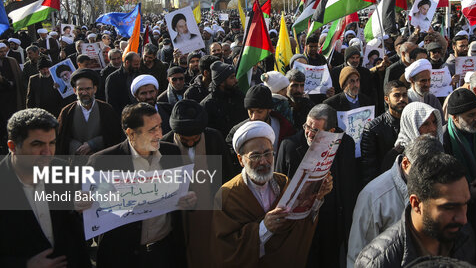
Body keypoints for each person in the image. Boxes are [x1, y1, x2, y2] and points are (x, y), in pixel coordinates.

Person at [86, 103, 196, 268]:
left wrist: (189, 200)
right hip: (122, 256)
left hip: (164, 252)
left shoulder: (171, 153)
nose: (159, 134)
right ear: (131, 133)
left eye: (159, 126)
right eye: (152, 130)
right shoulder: (102, 162)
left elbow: (181, 197)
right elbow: (91, 210)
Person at [211, 120, 333, 267]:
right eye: (255, 156)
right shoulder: (227, 195)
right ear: (240, 159)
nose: (263, 161)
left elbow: (298, 226)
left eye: (268, 153)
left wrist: (317, 197)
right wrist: (263, 228)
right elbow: (225, 251)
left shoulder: (282, 183)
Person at [0, 108, 90, 267]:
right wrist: (25, 265)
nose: (47, 153)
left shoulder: (62, 170)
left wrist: (82, 208)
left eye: (52, 143)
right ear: (12, 146)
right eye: (37, 144)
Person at [355, 152, 475, 267]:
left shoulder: (463, 236)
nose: (463, 219)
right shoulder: (378, 262)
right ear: (416, 203)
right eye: (449, 207)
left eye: (465, 204)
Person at [276, 104, 356, 268]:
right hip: (301, 225)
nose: (309, 133)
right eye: (307, 126)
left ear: (331, 132)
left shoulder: (346, 144)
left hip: (333, 221)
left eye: (316, 131)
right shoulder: (289, 146)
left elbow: (349, 183)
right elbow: (279, 186)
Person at [348, 135, 444, 267]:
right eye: (421, 172)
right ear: (405, 164)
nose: (427, 179)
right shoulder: (374, 196)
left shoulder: (442, 186)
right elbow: (358, 255)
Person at [161, 99, 233, 268]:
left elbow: (227, 174)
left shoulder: (214, 138)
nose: (192, 142)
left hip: (212, 210)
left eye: (195, 138)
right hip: (181, 215)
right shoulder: (165, 145)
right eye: (186, 139)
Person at [443, 88, 476, 266]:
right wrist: (466, 189)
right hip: (457, 210)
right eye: (471, 115)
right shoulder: (443, 138)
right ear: (455, 118)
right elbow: (444, 174)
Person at [226, 84, 295, 168]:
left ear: (269, 109)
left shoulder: (284, 129)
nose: (254, 117)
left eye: (259, 111)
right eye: (251, 111)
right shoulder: (236, 132)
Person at [56, 68, 123, 155]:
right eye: (80, 89)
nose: (84, 93)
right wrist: (77, 147)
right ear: (74, 91)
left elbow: (114, 135)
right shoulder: (67, 111)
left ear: (94, 89)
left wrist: (93, 144)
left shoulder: (106, 109)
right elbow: (61, 138)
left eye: (88, 89)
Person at [360, 80, 409, 185]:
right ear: (387, 99)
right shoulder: (373, 128)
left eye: (404, 95)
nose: (402, 99)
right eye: (397, 95)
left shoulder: (412, 122)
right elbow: (369, 168)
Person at [200, 61, 248, 138]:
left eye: (235, 76)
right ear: (221, 82)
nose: (236, 80)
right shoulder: (207, 105)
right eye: (232, 77)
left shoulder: (240, 96)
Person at [105, 51, 141, 115]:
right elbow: (111, 102)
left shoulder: (139, 75)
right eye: (135, 64)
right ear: (127, 62)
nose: (138, 66)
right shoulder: (113, 78)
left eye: (139, 64)